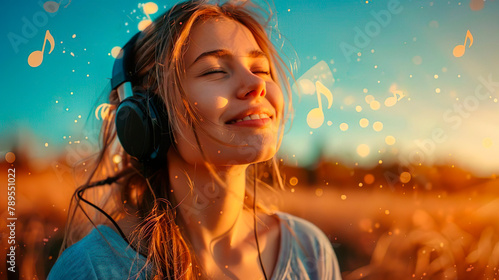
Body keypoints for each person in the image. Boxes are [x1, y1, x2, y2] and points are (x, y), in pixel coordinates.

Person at [48, 0, 342, 279]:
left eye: (260, 69)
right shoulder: (93, 269)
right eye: (215, 70)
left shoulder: (309, 250)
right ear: (147, 114)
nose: (256, 85)